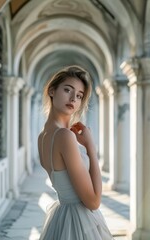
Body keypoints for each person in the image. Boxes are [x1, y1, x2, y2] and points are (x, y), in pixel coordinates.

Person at [38, 65, 114, 239]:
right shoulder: (64, 136)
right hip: (79, 220)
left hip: (62, 216)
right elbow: (93, 202)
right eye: (67, 90)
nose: (73, 98)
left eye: (79, 96)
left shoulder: (43, 136)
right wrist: (90, 147)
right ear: (51, 91)